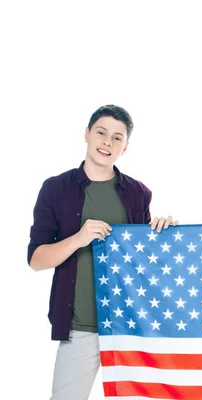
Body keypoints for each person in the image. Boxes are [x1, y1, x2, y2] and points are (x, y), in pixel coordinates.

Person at [27, 104, 179, 399]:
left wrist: (163, 234)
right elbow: (36, 260)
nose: (107, 142)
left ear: (126, 146)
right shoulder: (56, 189)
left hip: (129, 325)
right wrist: (78, 238)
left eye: (117, 138)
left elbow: (144, 262)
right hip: (80, 326)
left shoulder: (138, 193)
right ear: (87, 134)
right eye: (101, 132)